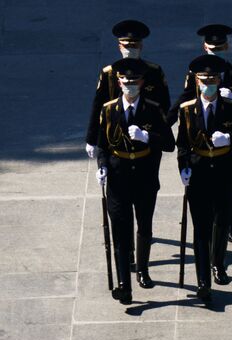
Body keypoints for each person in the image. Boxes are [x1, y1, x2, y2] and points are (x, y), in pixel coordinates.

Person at [86, 19, 171, 266]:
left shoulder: (153, 71)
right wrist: (92, 138)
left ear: (141, 46)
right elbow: (98, 107)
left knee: (144, 195)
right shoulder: (109, 73)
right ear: (119, 46)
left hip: (145, 139)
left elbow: (164, 105)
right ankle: (128, 252)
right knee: (121, 205)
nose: (130, 48)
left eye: (134, 44)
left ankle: (141, 251)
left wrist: (155, 132)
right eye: (126, 44)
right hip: (115, 138)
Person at [176, 55, 232, 301]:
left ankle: (218, 264)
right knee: (200, 227)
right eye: (204, 79)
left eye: (213, 79)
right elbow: (182, 144)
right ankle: (203, 281)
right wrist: (183, 168)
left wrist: (231, 140)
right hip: (199, 172)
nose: (208, 83)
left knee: (221, 221)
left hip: (226, 170)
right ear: (196, 81)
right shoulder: (187, 109)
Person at [168, 24, 232, 244]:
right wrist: (166, 121)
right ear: (204, 47)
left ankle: (229, 222)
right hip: (205, 138)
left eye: (219, 47)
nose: (215, 51)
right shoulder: (197, 73)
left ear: (226, 47)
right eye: (211, 47)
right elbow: (186, 98)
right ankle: (221, 222)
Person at [96, 58, 175, 305]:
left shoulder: (152, 109)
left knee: (144, 225)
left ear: (142, 83)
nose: (129, 85)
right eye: (125, 81)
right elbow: (102, 144)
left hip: (144, 175)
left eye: (134, 81)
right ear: (119, 82)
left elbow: (169, 144)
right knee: (120, 232)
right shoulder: (108, 110)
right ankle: (124, 285)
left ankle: (142, 269)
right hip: (118, 178)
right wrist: (102, 166)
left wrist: (147, 136)